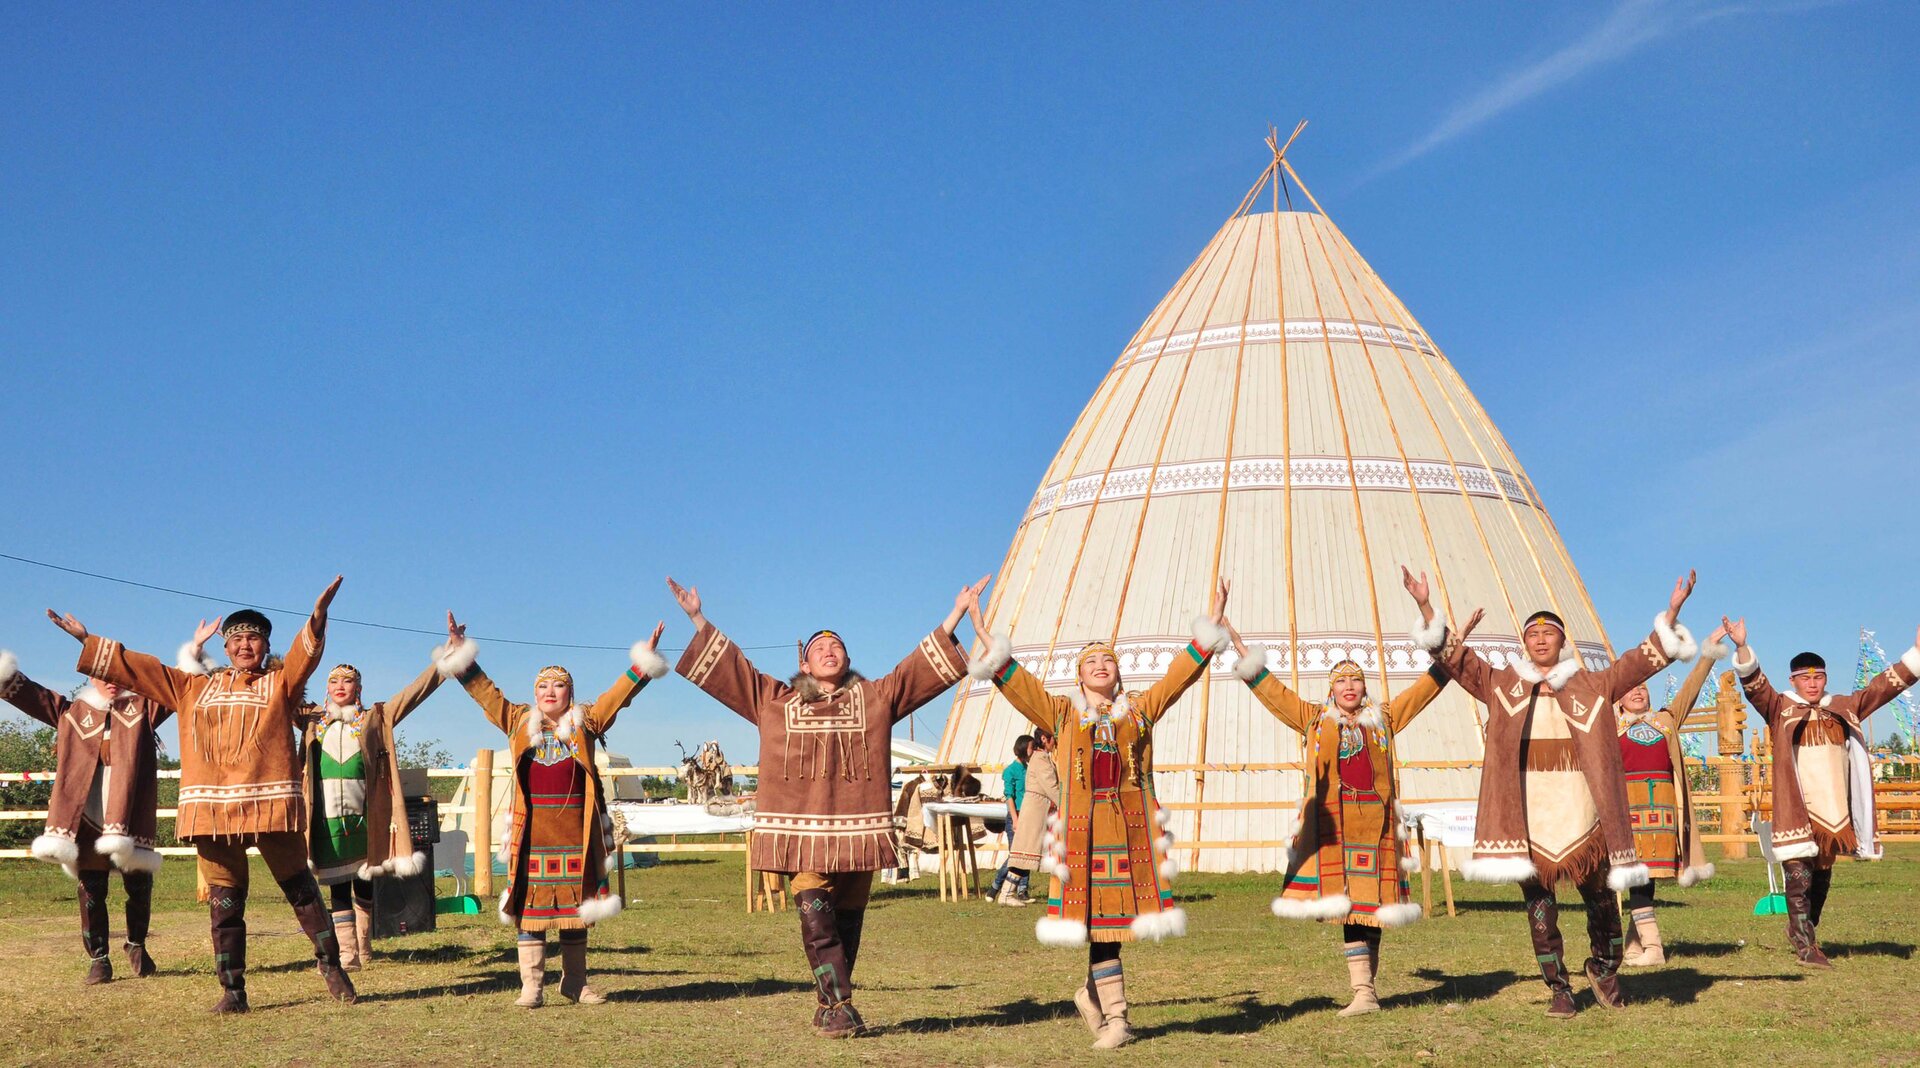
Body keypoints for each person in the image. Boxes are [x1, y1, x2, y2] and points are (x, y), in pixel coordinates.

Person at [668, 574, 985, 1038]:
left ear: (848, 660)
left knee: (847, 923)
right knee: (817, 919)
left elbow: (914, 669)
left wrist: (956, 613)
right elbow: (736, 670)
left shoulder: (875, 699)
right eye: (820, 647)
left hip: (859, 832)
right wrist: (698, 618)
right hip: (801, 833)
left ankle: (827, 1004)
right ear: (804, 662)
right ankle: (840, 1005)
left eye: (837, 646)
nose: (829, 650)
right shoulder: (775, 701)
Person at [49, 579, 357, 1012]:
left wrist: (317, 617)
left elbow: (303, 658)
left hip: (270, 804)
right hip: (212, 811)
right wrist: (87, 639)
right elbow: (140, 668)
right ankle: (233, 991)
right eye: (237, 639)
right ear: (226, 647)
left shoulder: (280, 683)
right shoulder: (191, 687)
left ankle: (331, 965)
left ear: (266, 645)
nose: (245, 645)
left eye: (254, 638)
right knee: (224, 902)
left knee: (301, 891)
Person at [966, 579, 1230, 1050]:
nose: (1101, 666)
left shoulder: (1139, 711)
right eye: (1091, 662)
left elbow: (1177, 678)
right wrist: (986, 636)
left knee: (1117, 924)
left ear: (1118, 672)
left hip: (1130, 831)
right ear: (1079, 676)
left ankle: (1092, 996)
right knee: (1100, 925)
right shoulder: (1063, 715)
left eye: (1108, 660)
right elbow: (1021, 687)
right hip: (1085, 834)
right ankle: (1117, 1019)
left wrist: (1209, 627)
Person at [1435, 569, 1699, 1018]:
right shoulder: (1501, 684)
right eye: (1532, 634)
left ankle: (1604, 968)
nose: (1540, 640)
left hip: (1583, 811)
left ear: (1562, 640)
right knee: (1540, 910)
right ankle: (1559, 987)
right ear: (1524, 643)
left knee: (1602, 902)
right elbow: (1458, 663)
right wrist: (1427, 607)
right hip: (1529, 813)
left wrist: (1672, 611)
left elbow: (1640, 662)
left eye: (1548, 633)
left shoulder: (1592, 684)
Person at [1227, 572, 1479, 1016]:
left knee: (1373, 908)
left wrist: (1454, 641)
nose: (1349, 687)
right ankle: (1363, 991)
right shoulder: (1314, 719)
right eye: (1341, 681)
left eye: (1356, 681)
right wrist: (1239, 646)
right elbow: (1273, 692)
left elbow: (1428, 686)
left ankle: (1368, 992)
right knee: (1349, 910)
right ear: (1331, 688)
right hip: (1337, 826)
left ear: (1364, 687)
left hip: (1376, 825)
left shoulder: (1384, 717)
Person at [438, 612, 668, 1007]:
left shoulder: (586, 722)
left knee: (577, 910)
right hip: (532, 834)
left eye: (559, 685)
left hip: (576, 834)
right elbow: (485, 693)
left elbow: (618, 696)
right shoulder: (517, 720)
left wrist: (642, 662)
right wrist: (462, 654)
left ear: (570, 694)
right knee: (530, 909)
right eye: (543, 685)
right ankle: (532, 986)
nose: (550, 691)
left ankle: (575, 983)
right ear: (534, 693)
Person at [1724, 616, 1920, 968]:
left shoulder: (1844, 706)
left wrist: (1915, 655)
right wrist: (1741, 647)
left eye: (1818, 678)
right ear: (1793, 680)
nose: (1812, 684)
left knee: (1822, 874)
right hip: (1797, 805)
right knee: (1798, 873)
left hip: (1834, 807)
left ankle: (1805, 928)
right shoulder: (1780, 708)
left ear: (1825, 679)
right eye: (1805, 678)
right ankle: (1805, 946)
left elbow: (1881, 689)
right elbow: (1755, 686)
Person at [0, 648, 173, 984]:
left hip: (130, 812)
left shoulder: (144, 709)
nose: (110, 682)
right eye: (102, 675)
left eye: (116, 674)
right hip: (86, 814)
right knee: (92, 889)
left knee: (139, 884)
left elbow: (176, 687)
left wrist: (195, 653)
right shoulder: (71, 713)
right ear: (91, 677)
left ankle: (137, 944)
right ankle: (99, 959)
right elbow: (27, 693)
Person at [298, 660, 445, 971]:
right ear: (326, 688)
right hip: (325, 820)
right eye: (334, 680)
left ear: (358, 688)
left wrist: (445, 663)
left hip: (365, 817)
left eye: (347, 681)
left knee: (364, 882)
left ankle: (363, 947)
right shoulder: (312, 719)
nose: (340, 686)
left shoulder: (375, 718)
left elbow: (411, 696)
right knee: (338, 886)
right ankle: (348, 954)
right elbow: (281, 694)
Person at [1615, 626, 1728, 967]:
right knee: (1638, 878)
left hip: (1663, 810)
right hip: (1627, 810)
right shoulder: (1609, 726)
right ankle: (1635, 947)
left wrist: (1709, 652)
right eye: (1630, 688)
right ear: (1618, 697)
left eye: (1642, 686)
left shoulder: (1666, 720)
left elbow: (1691, 689)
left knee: (1644, 878)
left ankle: (1653, 949)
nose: (1638, 691)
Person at [984, 734, 1033, 906]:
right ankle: (995, 886)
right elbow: (1009, 796)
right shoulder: (1011, 770)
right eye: (1031, 747)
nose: (1033, 750)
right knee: (1015, 855)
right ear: (1023, 748)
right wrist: (1015, 819)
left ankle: (1022, 890)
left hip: (1028, 814)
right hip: (1016, 815)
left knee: (1028, 853)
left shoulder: (1029, 768)